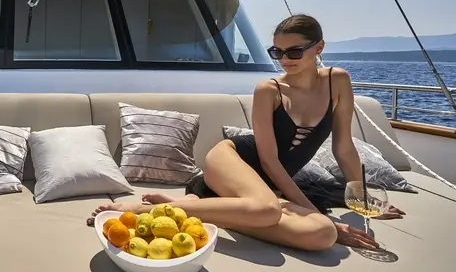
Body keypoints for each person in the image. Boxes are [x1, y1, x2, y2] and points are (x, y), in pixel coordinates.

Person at [88, 14, 405, 251]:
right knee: (270, 209)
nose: (285, 60)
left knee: (321, 234)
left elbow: (344, 148)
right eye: (277, 52)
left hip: (268, 191)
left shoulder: (338, 80)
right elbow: (268, 160)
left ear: (318, 47)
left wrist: (361, 199)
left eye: (294, 52)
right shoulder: (269, 90)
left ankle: (207, 210)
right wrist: (308, 209)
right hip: (233, 160)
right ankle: (143, 210)